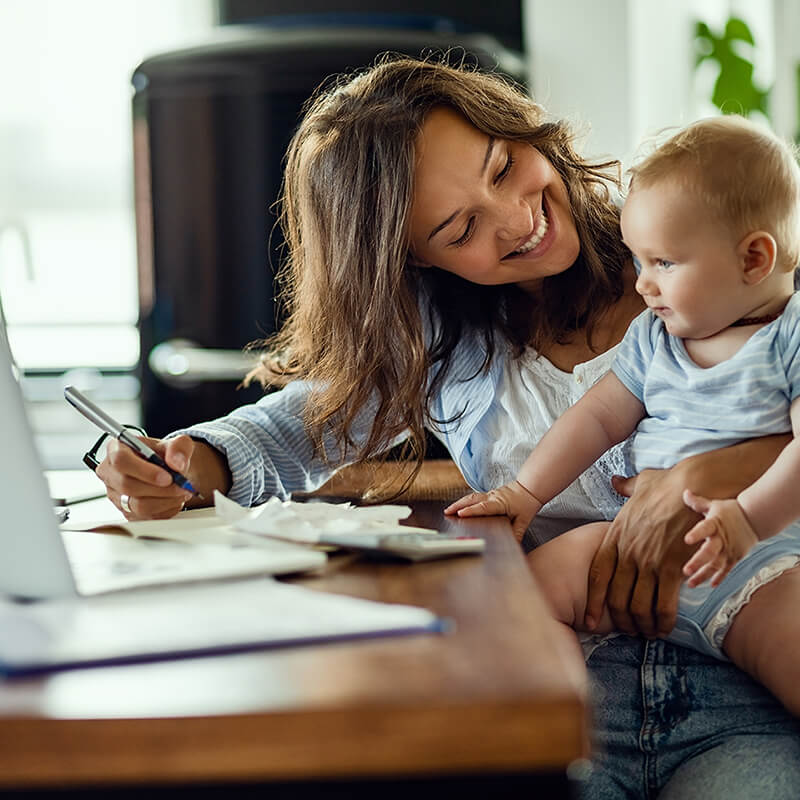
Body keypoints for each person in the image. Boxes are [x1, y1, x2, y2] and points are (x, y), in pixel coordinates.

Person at [94, 57, 800, 797]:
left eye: (504, 168)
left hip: (747, 671)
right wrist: (184, 462)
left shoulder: (687, 236)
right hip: (571, 686)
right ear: (410, 259)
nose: (517, 220)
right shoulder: (443, 341)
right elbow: (293, 429)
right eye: (461, 228)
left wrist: (709, 473)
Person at [446, 115, 800, 716]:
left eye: (663, 263)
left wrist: (745, 518)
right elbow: (596, 417)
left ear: (754, 258)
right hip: (626, 553)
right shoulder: (653, 339)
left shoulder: (789, 337)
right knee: (526, 590)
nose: (642, 285)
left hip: (762, 562)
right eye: (639, 262)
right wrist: (527, 491)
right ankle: (571, 723)